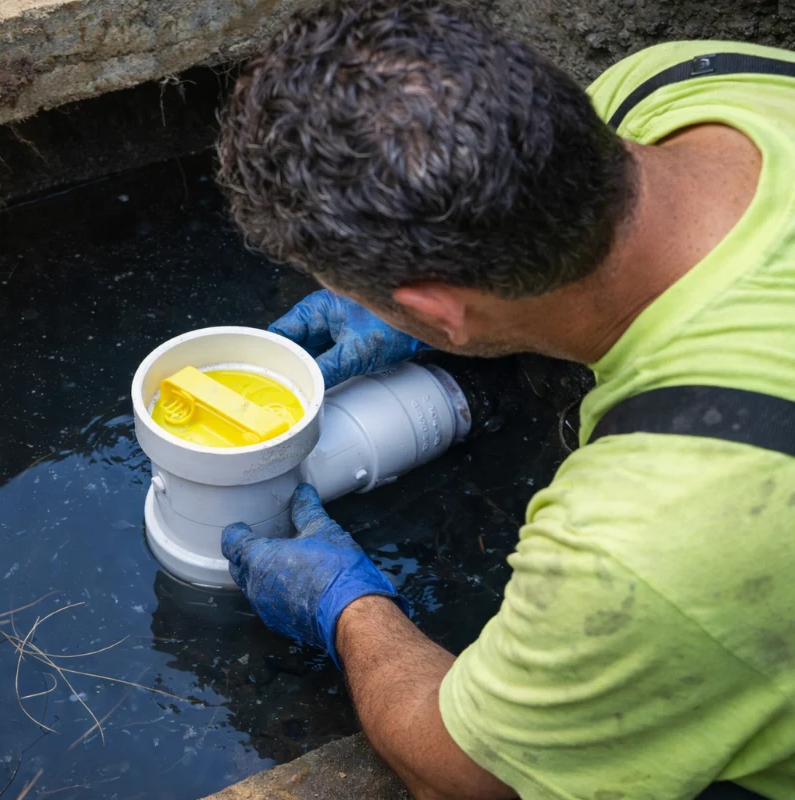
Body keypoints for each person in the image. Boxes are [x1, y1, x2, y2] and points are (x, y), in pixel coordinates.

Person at [215, 1, 795, 798]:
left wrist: (346, 610)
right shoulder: (687, 83)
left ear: (436, 308)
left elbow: (462, 776)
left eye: (368, 297)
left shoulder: (643, 540)